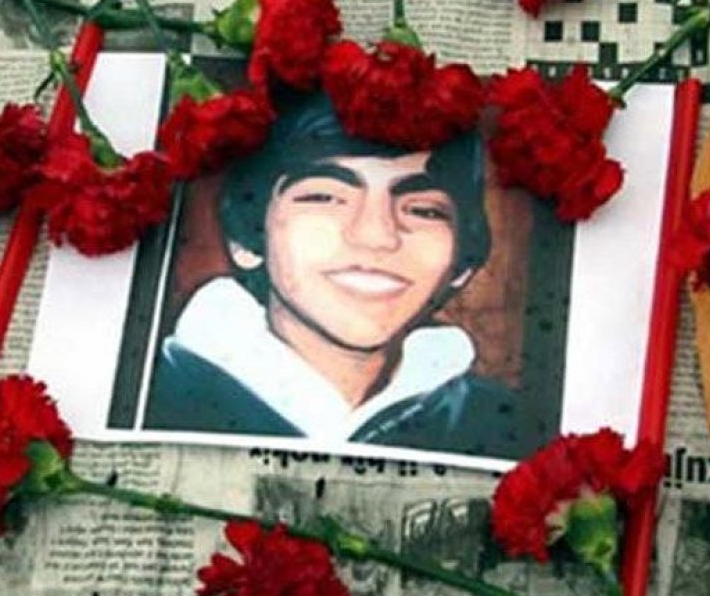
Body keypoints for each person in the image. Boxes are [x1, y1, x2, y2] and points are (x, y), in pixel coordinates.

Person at [143, 92, 522, 457]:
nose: (376, 236)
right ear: (247, 238)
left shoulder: (496, 424)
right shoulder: (155, 396)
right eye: (324, 197)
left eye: (423, 210)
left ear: (461, 264)